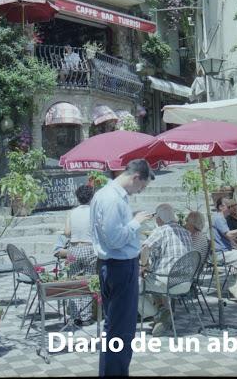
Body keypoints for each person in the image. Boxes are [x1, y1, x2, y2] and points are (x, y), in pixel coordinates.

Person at [90, 159, 154, 377]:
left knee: (117, 327)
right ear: (136, 177)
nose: (139, 191)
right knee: (121, 330)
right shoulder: (112, 199)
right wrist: (135, 222)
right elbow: (116, 239)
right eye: (141, 187)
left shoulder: (108, 196)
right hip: (119, 266)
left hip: (116, 265)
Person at [139, 203, 192, 336]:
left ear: (159, 219)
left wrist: (143, 264)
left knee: (134, 285)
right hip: (185, 282)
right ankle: (163, 315)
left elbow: (145, 248)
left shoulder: (161, 230)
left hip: (167, 282)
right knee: (153, 277)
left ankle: (160, 314)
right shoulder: (186, 232)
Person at [64, 185, 96, 325]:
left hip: (74, 248)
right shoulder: (94, 212)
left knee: (74, 282)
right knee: (88, 282)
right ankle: (86, 317)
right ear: (92, 197)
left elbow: (67, 232)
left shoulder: (72, 212)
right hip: (89, 248)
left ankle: (75, 315)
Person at [213, 197, 237, 302]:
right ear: (221, 207)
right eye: (229, 206)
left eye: (233, 206)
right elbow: (229, 235)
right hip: (219, 253)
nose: (231, 209)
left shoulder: (222, 219)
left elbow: (228, 240)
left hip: (226, 250)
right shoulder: (219, 218)